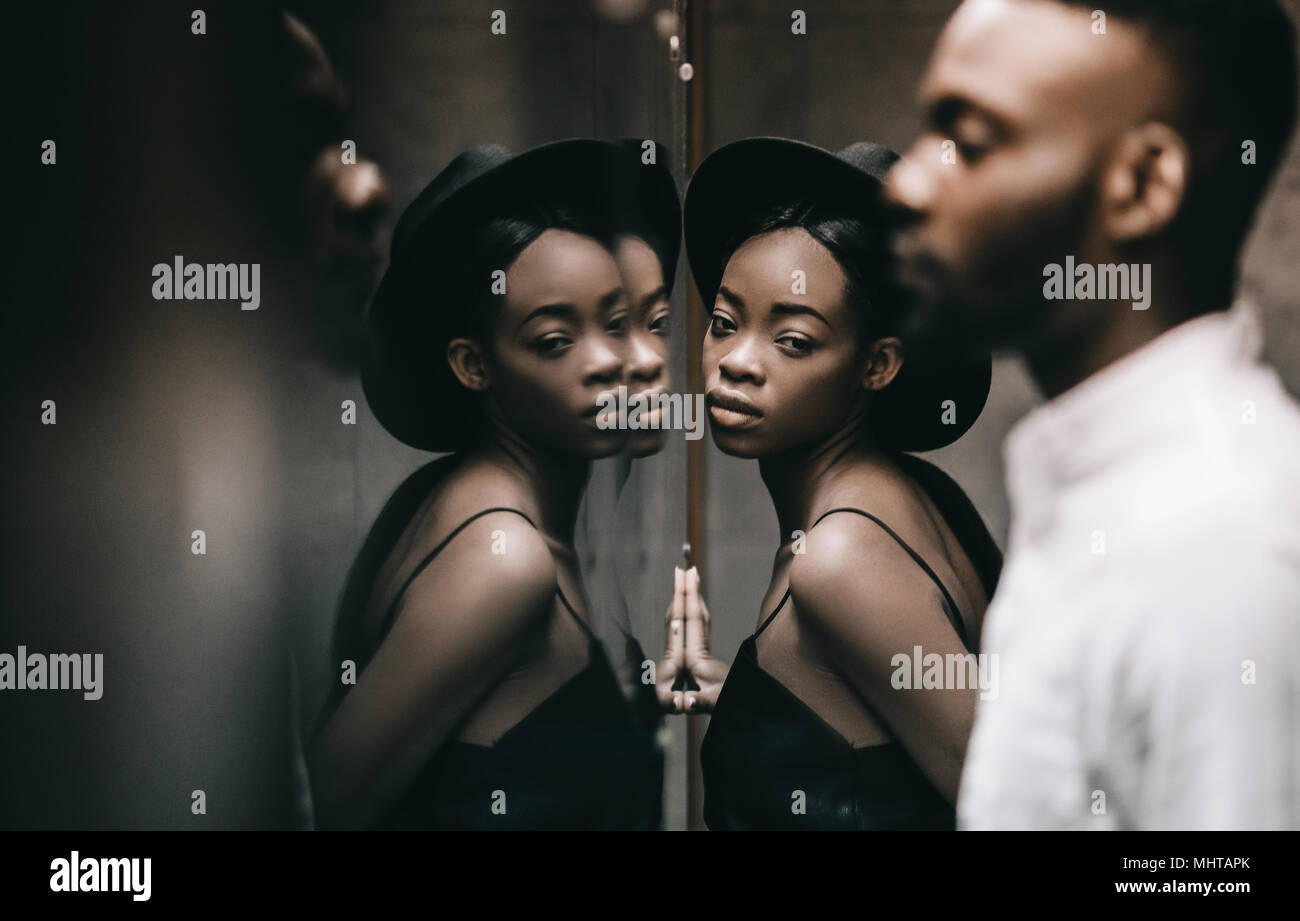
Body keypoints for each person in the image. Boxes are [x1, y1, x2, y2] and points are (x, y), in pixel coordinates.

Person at [884, 0, 1300, 829]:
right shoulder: (1104, 486)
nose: (905, 183)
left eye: (968, 142)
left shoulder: (1226, 544)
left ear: (1143, 185)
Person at [306, 140, 679, 829]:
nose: (627, 361)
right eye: (555, 338)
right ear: (474, 365)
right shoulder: (504, 557)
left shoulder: (480, 504)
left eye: (638, 322)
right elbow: (323, 805)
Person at [675, 137, 1003, 829]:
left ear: (877, 364)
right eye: (726, 323)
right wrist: (739, 695)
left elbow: (1018, 804)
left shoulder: (839, 559)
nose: (736, 362)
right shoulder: (909, 491)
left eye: (791, 339)